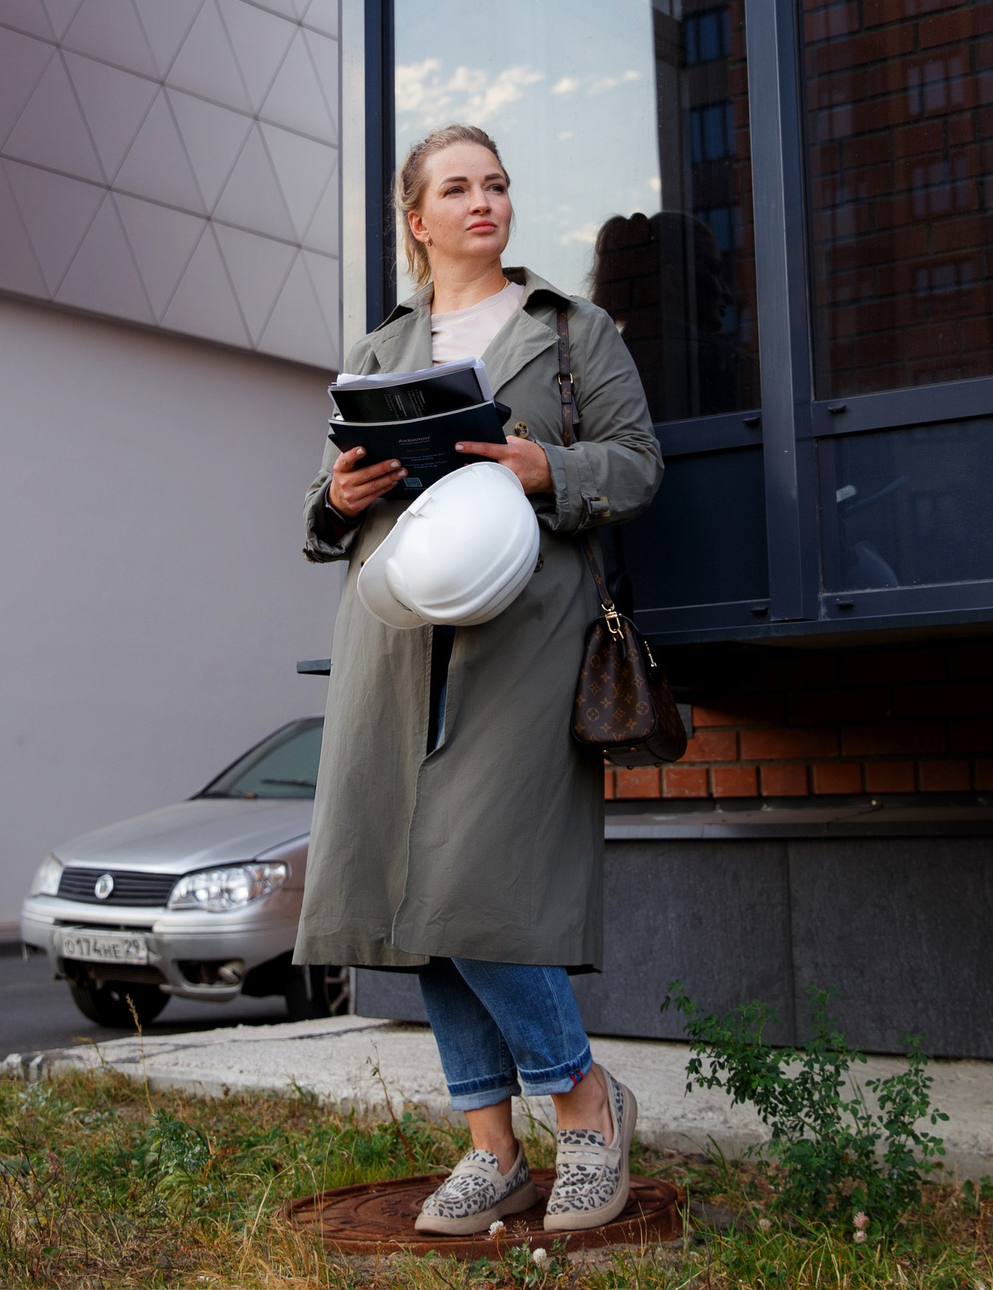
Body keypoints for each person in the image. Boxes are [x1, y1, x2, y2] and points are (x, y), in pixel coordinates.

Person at [296, 124, 664, 1235]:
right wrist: (340, 499)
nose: (482, 203)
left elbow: (640, 465)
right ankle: (490, 1150)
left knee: (473, 882)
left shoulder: (567, 330)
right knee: (414, 894)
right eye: (455, 188)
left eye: (495, 185)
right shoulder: (381, 346)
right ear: (417, 219)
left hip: (525, 635)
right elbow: (322, 507)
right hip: (394, 639)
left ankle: (587, 1106)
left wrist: (548, 467)